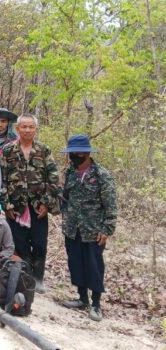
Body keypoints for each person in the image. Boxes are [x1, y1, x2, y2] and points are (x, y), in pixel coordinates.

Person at [0, 113, 60, 293]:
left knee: (40, 243)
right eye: (24, 127)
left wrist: (46, 203)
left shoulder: (44, 150)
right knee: (20, 243)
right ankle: (26, 278)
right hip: (16, 207)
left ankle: (38, 279)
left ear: (36, 129)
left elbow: (53, 178)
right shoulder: (8, 150)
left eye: (31, 127)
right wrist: (7, 205)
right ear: (17, 129)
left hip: (38, 206)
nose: (27, 130)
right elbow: (1, 180)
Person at [59, 135, 117, 322]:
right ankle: (82, 298)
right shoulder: (69, 173)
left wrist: (106, 229)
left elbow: (110, 205)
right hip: (72, 228)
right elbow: (64, 197)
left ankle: (96, 304)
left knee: (94, 265)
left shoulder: (101, 175)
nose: (76, 155)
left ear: (87, 153)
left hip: (93, 229)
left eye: (79, 152)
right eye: (73, 152)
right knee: (76, 263)